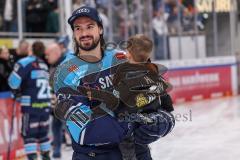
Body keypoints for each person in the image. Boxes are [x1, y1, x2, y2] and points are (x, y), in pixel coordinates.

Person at [53, 6, 175, 160]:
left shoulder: (122, 58)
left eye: (90, 26)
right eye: (78, 28)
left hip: (138, 154)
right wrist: (132, 125)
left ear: (101, 29)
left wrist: (163, 122)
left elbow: (158, 94)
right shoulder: (65, 72)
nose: (84, 33)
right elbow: (84, 131)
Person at [114, 34, 174, 160]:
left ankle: (128, 157)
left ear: (129, 53)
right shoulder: (153, 72)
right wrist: (168, 107)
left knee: (125, 128)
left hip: (132, 118)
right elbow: (164, 94)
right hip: (149, 115)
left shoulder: (126, 75)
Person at [8, 41, 51, 160]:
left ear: (31, 49)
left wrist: (17, 91)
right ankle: (46, 157)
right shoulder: (44, 65)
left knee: (29, 136)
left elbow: (13, 82)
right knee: (43, 136)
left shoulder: (25, 62)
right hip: (45, 107)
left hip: (31, 107)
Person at [45, 41, 73, 159]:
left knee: (69, 129)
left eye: (48, 55)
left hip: (65, 104)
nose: (46, 57)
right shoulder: (52, 65)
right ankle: (56, 152)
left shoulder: (64, 63)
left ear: (56, 53)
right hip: (55, 104)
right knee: (55, 127)